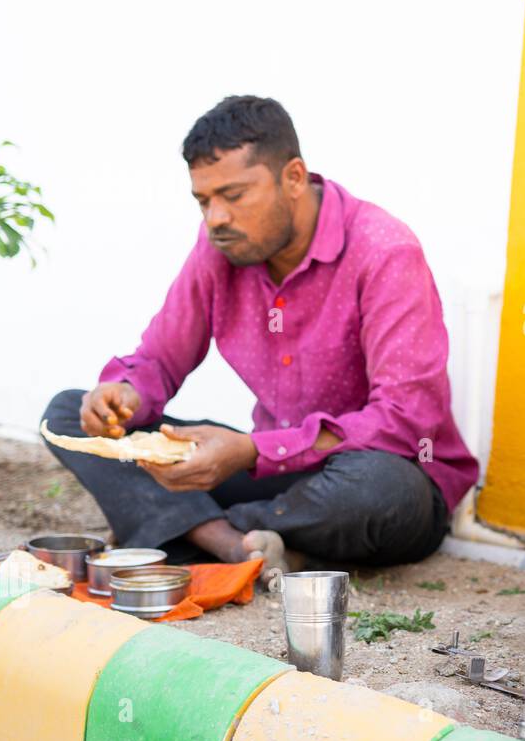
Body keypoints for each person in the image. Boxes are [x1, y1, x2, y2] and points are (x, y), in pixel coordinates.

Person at [43, 95, 478, 572]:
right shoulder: (222, 246)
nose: (216, 219)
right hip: (273, 473)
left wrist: (253, 450)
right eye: (203, 201)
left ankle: (185, 529)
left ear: (293, 177)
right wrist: (122, 395)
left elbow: (403, 421)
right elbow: (160, 359)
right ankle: (235, 544)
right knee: (67, 412)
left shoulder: (384, 251)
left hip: (377, 473)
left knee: (379, 489)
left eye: (233, 195)